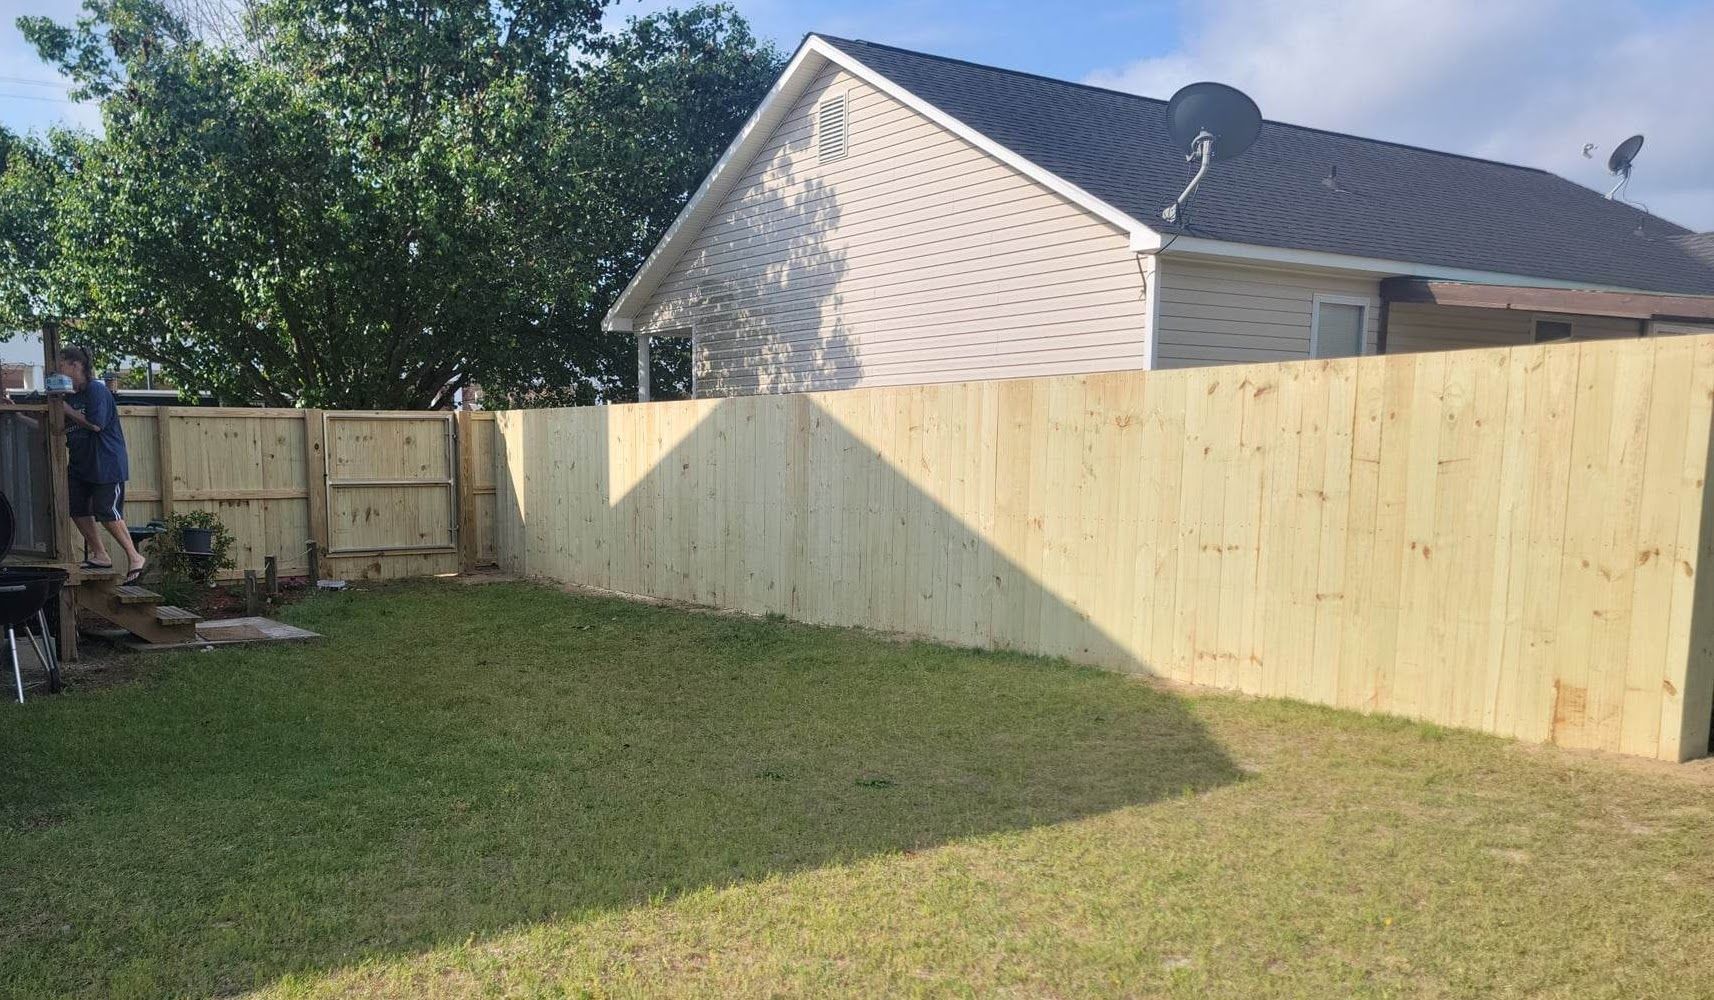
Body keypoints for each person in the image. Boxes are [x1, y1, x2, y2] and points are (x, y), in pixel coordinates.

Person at [54, 346, 147, 583]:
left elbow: (96, 425)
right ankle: (100, 554)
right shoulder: (71, 396)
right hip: (79, 464)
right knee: (75, 508)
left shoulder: (96, 390)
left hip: (106, 462)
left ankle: (135, 557)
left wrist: (67, 410)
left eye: (61, 364)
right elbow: (56, 431)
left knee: (107, 511)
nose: (57, 369)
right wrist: (18, 414)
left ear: (76, 365)